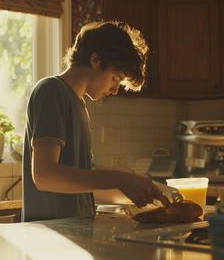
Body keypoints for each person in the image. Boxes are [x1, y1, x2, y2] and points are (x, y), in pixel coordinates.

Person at [22, 20, 167, 222]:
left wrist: (138, 191)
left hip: (73, 236)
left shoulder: (80, 106)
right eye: (116, 78)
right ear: (96, 60)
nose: (116, 90)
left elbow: (83, 189)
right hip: (50, 238)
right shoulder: (51, 91)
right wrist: (119, 178)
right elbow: (44, 175)